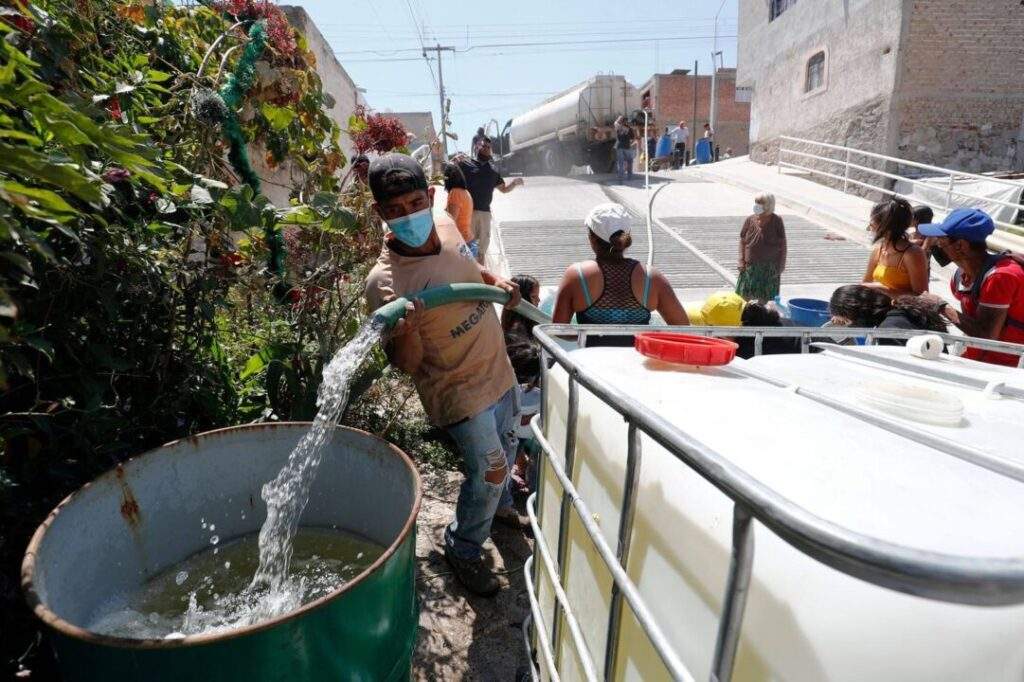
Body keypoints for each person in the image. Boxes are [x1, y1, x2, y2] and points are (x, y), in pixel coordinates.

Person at [363, 153, 523, 596]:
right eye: (393, 211)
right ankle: (465, 547)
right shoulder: (386, 285)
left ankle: (501, 507)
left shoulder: (448, 223)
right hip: (457, 391)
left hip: (497, 367)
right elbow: (408, 365)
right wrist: (407, 332)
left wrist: (495, 280)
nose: (407, 217)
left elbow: (469, 266)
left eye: (414, 203)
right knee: (490, 470)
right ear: (380, 214)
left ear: (429, 197)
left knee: (508, 448)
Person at [553, 203, 688, 338]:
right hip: (637, 358)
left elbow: (558, 331)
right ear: (626, 236)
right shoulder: (651, 278)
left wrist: (587, 335)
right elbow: (683, 328)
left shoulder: (577, 275)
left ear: (592, 238)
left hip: (591, 357)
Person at [917, 208, 1024, 366]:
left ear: (960, 245)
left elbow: (987, 336)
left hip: (1006, 368)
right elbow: (970, 321)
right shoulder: (961, 277)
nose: (936, 244)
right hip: (976, 359)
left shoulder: (1000, 277)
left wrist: (941, 306)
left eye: (941, 240)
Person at [500, 274, 542, 505]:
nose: (539, 301)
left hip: (512, 413)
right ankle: (535, 494)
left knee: (509, 442)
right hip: (532, 412)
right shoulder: (530, 337)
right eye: (535, 297)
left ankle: (507, 495)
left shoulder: (504, 331)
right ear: (525, 300)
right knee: (537, 448)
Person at [456, 137, 523, 265]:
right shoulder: (465, 165)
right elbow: (450, 177)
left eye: (488, 147)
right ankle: (467, 271)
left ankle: (481, 275)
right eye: (483, 146)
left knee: (482, 247)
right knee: (467, 245)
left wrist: (514, 183)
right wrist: (455, 163)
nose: (486, 149)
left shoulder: (493, 171)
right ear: (476, 147)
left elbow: (503, 189)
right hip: (468, 212)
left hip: (485, 214)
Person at [829, 284, 947, 345]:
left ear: (859, 313)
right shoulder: (902, 308)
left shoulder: (888, 331)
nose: (849, 326)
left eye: (846, 322)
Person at [862, 197, 928, 296]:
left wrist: (884, 290)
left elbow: (922, 296)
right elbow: (865, 283)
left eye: (872, 221)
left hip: (901, 310)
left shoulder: (912, 253)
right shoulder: (879, 249)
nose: (869, 226)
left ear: (885, 225)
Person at [736, 192, 787, 302]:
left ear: (768, 205)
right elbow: (742, 241)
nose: (757, 206)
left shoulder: (777, 220)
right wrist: (741, 260)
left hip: (769, 267)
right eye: (756, 203)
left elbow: (783, 244)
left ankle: (760, 316)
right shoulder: (750, 220)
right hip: (750, 265)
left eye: (760, 203)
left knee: (764, 298)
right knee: (745, 295)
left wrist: (781, 264)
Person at [443, 162, 476, 257]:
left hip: (462, 244)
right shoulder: (465, 192)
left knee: (459, 271)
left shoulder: (455, 193)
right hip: (470, 242)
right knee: (469, 271)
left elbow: (451, 220)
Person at [614, 116, 636, 183]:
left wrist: (619, 119)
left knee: (620, 164)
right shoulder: (629, 128)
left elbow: (615, 122)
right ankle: (629, 177)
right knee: (630, 162)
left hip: (619, 147)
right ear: (626, 122)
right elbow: (633, 138)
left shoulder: (617, 126)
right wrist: (631, 143)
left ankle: (620, 180)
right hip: (627, 147)